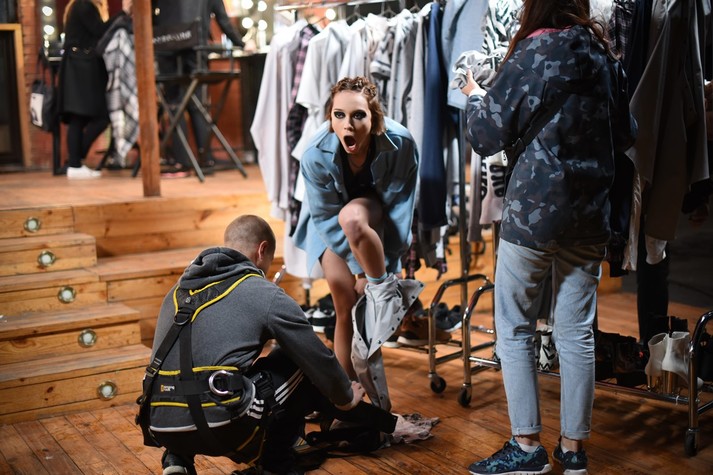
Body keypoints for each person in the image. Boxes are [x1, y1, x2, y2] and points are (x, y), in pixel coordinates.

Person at [459, 1, 637, 474]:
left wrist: (474, 95)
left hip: (534, 214)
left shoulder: (531, 53)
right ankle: (574, 451)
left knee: (515, 326)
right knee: (576, 331)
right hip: (590, 213)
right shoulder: (604, 56)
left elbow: (485, 134)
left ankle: (526, 446)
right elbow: (627, 133)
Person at [146, 215, 366, 475]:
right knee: (292, 358)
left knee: (191, 370)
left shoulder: (177, 291)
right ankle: (276, 463)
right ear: (262, 250)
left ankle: (177, 459)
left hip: (159, 423)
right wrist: (345, 398)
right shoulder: (263, 292)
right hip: (222, 427)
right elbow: (316, 355)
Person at [292, 76, 419, 378]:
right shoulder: (314, 153)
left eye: (358, 115)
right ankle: (347, 395)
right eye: (339, 115)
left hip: (375, 217)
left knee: (352, 218)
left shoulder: (400, 143)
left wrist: (386, 268)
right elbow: (325, 216)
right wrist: (358, 270)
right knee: (345, 304)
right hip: (328, 225)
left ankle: (383, 290)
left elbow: (400, 210)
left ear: (374, 118)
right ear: (330, 117)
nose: (347, 125)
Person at [153, 0, 245, 174]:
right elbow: (222, 18)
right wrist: (241, 44)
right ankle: (205, 158)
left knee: (174, 105)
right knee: (196, 104)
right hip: (195, 47)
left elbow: (150, 14)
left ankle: (182, 161)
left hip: (167, 46)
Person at [58, 0, 131, 179]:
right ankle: (74, 164)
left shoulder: (80, 6)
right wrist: (123, 13)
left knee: (84, 117)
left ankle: (75, 161)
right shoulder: (84, 5)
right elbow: (100, 30)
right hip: (80, 65)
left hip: (79, 64)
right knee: (84, 117)